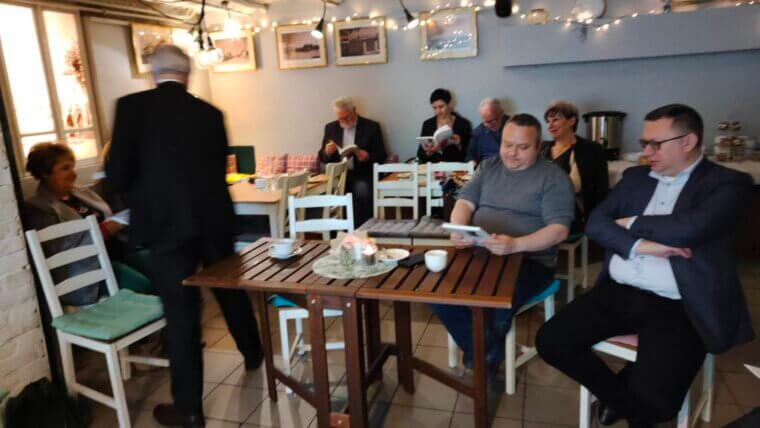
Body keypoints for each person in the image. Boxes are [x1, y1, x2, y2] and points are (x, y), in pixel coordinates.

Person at [536, 104, 755, 428]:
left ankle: (625, 401)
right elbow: (596, 222)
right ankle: (622, 400)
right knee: (551, 341)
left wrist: (630, 222)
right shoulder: (636, 177)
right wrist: (639, 245)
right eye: (644, 143)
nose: (646, 151)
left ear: (688, 141)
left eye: (656, 144)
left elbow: (689, 229)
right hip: (619, 291)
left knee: (659, 405)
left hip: (682, 302)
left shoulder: (728, 182)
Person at [106, 45, 263, 428]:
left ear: (152, 73)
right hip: (213, 220)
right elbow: (219, 166)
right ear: (188, 74)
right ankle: (253, 352)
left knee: (181, 313)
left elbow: (118, 173)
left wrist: (139, 201)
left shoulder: (131, 108)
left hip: (166, 226)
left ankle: (189, 408)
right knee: (230, 290)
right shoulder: (210, 113)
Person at [431, 114, 575, 373]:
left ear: (538, 146)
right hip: (480, 253)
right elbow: (464, 202)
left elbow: (559, 231)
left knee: (495, 300)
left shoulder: (553, 177)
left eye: (523, 147)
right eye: (507, 144)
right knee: (435, 288)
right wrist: (459, 229)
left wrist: (515, 245)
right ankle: (486, 352)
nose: (512, 153)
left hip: (530, 260)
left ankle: (480, 357)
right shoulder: (488, 167)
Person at [24, 142, 152, 305]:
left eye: (73, 167)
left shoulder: (81, 192)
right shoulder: (38, 207)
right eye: (65, 168)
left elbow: (107, 216)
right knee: (141, 284)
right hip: (88, 268)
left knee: (159, 265)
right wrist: (106, 229)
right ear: (45, 173)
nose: (74, 173)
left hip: (117, 251)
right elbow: (60, 247)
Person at [540, 101, 609, 232]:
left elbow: (601, 189)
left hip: (573, 214)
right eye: (548, 121)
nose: (550, 125)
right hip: (542, 210)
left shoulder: (592, 150)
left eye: (555, 120)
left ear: (571, 121)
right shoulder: (542, 148)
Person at [318, 97, 386, 227]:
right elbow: (322, 157)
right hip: (339, 176)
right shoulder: (330, 128)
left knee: (361, 188)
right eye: (340, 119)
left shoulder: (371, 127)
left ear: (354, 110)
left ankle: (363, 229)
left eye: (347, 117)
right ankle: (338, 232)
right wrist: (327, 152)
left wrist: (367, 157)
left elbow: (381, 155)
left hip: (362, 173)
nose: (344, 121)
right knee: (327, 191)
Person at [417, 88, 472, 163]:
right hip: (434, 167)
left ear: (449, 104)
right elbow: (420, 155)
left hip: (455, 167)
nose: (438, 111)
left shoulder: (463, 124)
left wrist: (459, 144)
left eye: (441, 107)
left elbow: (470, 154)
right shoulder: (427, 124)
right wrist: (428, 153)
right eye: (434, 108)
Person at [466, 98, 508, 166]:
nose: (489, 125)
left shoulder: (515, 127)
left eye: (493, 120)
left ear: (501, 113)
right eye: (486, 121)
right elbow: (469, 156)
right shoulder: (477, 133)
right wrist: (472, 162)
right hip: (487, 169)